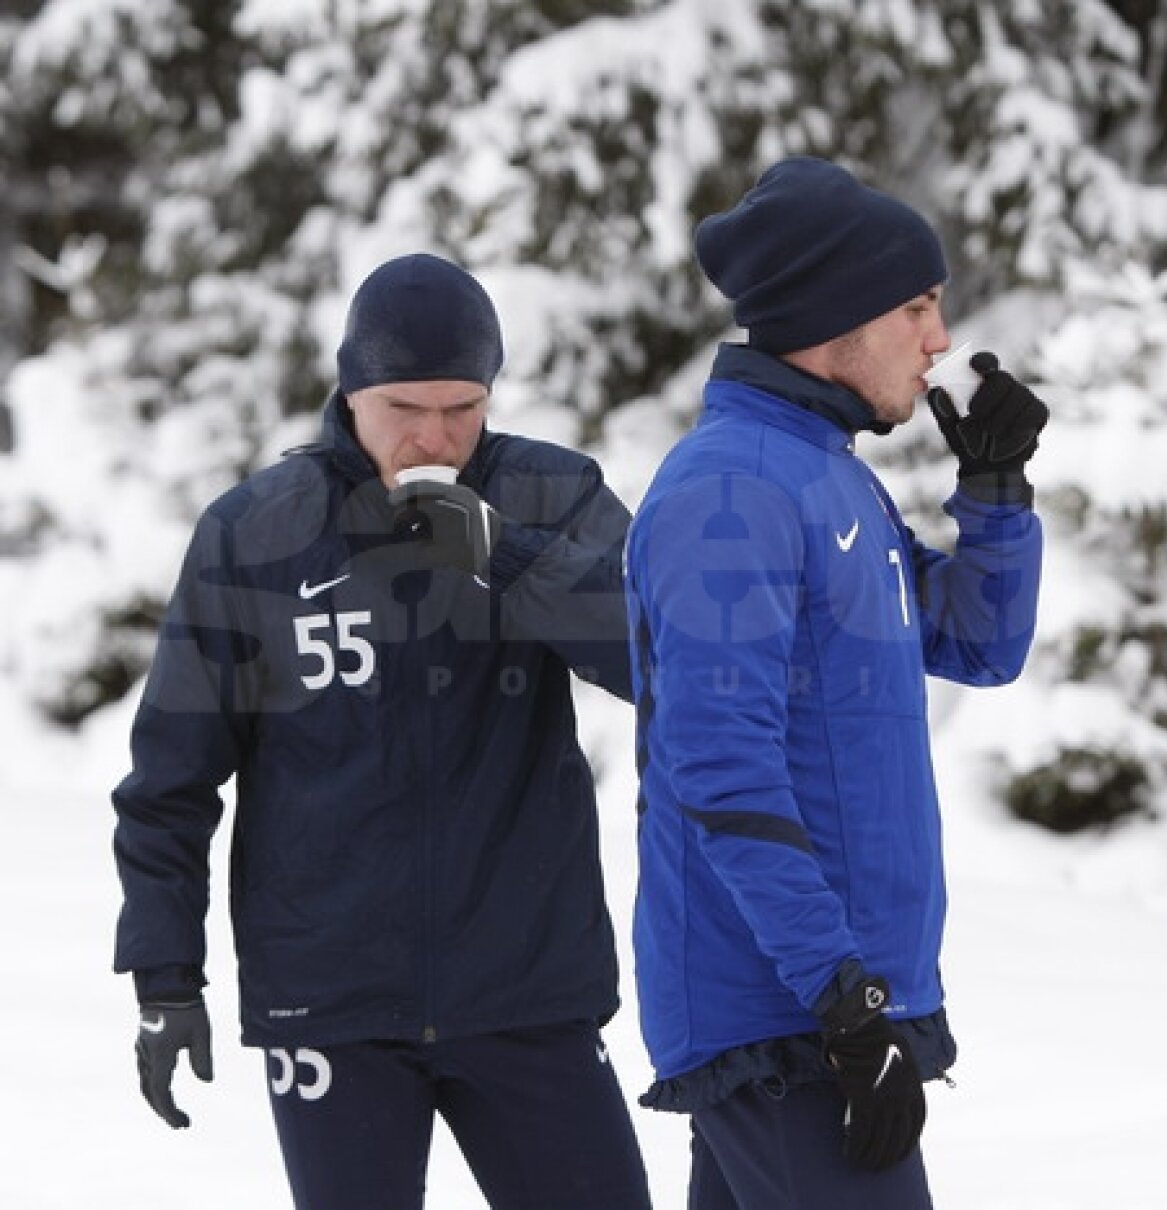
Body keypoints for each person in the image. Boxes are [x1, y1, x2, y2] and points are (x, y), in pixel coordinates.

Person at [113, 253, 653, 1209]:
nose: (435, 437)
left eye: (462, 408)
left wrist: (504, 554)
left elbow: (654, 658)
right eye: (406, 408)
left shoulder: (549, 494)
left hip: (527, 989)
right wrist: (164, 973)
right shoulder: (255, 533)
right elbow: (172, 777)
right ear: (352, 388)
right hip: (330, 1006)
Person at [624, 157, 1048, 1208]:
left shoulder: (822, 472)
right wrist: (843, 1000)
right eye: (917, 305)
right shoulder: (734, 489)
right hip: (791, 1022)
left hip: (822, 1010)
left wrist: (994, 491)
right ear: (834, 316)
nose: (939, 339)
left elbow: (976, 643)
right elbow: (720, 769)